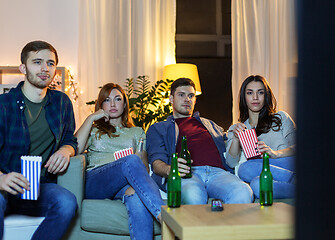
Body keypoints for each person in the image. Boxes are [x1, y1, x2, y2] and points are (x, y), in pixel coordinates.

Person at [0, 40, 78, 239]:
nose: (45, 68)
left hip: (41, 185)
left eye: (50, 63)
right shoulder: (4, 104)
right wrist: (1, 178)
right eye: (37, 62)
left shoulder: (62, 103)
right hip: (6, 186)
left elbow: (70, 138)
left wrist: (65, 151)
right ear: (23, 68)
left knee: (67, 202)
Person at [75, 83, 164, 240]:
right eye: (107, 100)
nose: (113, 104)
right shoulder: (94, 130)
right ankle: (164, 215)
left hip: (124, 183)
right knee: (130, 160)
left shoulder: (137, 132)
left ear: (124, 105)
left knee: (136, 196)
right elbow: (76, 148)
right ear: (101, 105)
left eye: (118, 99)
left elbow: (142, 169)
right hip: (97, 182)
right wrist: (91, 118)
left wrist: (138, 156)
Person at [146, 78, 253, 205]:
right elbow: (156, 162)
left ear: (195, 100)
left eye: (191, 96)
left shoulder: (210, 125)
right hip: (187, 175)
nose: (187, 99)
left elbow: (230, 145)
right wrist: (171, 169)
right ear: (171, 99)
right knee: (193, 196)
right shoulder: (159, 128)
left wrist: (237, 134)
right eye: (181, 95)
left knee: (243, 191)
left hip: (218, 173)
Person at [226, 75, 296, 199]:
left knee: (247, 168)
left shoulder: (281, 117)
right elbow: (231, 163)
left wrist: (275, 153)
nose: (255, 97)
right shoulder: (237, 128)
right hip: (262, 171)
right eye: (250, 93)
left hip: (286, 162)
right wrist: (237, 138)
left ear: (266, 96)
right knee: (256, 183)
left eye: (260, 92)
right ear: (244, 97)